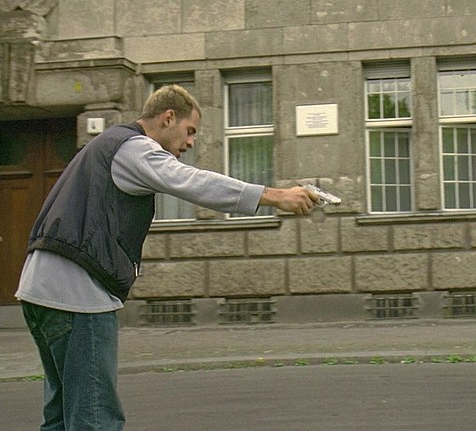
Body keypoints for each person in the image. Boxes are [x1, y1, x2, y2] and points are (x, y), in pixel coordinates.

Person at [16, 84, 319, 430]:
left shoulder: (105, 146)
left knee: (60, 417)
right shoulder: (134, 148)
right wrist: (275, 196)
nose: (191, 142)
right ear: (168, 117)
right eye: (189, 131)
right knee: (94, 418)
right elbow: (191, 182)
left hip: (39, 290)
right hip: (77, 296)